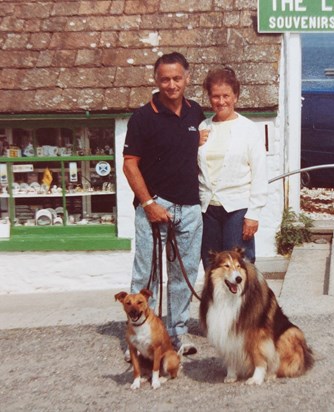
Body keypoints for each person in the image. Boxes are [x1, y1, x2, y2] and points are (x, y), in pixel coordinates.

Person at [123, 52, 205, 355]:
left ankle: (177, 333)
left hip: (191, 209)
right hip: (155, 207)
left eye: (177, 78)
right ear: (156, 81)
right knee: (147, 276)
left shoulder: (196, 112)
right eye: (165, 79)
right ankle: (141, 338)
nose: (171, 84)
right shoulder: (143, 117)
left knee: (184, 276)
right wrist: (148, 203)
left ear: (186, 78)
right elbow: (130, 165)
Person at [198, 67, 268, 268]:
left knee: (239, 266)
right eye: (215, 96)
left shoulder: (248, 129)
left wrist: (253, 215)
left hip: (237, 209)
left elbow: (259, 174)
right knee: (212, 267)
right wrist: (190, 143)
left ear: (235, 96)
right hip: (207, 209)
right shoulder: (203, 127)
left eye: (226, 96)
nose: (221, 102)